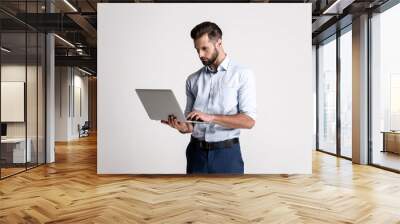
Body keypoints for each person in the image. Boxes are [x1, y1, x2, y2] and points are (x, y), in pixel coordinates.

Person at [161, 21, 256, 174]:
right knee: (194, 198)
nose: (200, 55)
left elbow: (249, 121)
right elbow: (190, 124)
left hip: (227, 155)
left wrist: (211, 117)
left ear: (219, 43)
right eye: (197, 49)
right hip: (196, 153)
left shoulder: (242, 74)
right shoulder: (192, 80)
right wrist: (182, 127)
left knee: (229, 199)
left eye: (205, 48)